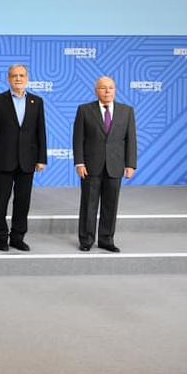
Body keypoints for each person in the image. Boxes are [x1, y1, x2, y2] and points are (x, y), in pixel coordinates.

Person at [0, 64, 48, 251]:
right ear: (8, 79)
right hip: (2, 160)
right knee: (1, 201)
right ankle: (1, 237)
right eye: (14, 76)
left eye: (21, 75)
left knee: (23, 201)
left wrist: (41, 158)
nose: (18, 79)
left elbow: (40, 132)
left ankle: (17, 237)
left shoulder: (37, 101)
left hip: (28, 161)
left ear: (27, 78)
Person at [73, 76, 137, 253]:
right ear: (96, 91)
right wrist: (79, 162)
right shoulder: (85, 110)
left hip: (115, 166)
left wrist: (130, 164)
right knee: (89, 204)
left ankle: (106, 240)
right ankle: (86, 240)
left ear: (115, 90)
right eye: (103, 88)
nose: (107, 91)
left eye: (110, 88)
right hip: (91, 165)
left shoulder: (127, 111)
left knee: (111, 204)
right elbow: (78, 139)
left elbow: (131, 140)